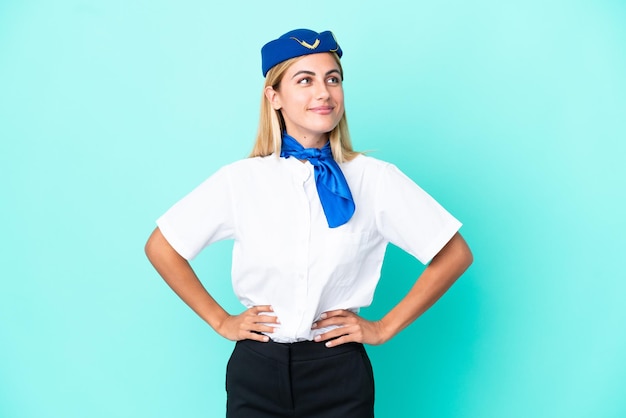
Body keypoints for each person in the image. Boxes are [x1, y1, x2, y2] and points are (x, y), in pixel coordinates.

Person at [145, 28, 473, 418]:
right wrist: (220, 320)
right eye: (305, 80)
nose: (324, 92)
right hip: (256, 370)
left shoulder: (375, 179)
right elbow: (162, 246)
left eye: (332, 79)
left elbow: (454, 254)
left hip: (338, 372)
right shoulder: (241, 180)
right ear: (275, 96)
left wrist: (382, 328)